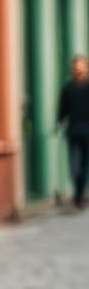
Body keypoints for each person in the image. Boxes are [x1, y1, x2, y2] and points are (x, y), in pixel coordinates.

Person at [57, 54, 89, 208]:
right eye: (76, 66)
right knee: (74, 165)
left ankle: (79, 195)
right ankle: (78, 193)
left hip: (87, 131)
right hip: (73, 130)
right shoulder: (68, 88)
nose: (78, 69)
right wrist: (59, 122)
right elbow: (62, 109)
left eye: (81, 65)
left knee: (84, 165)